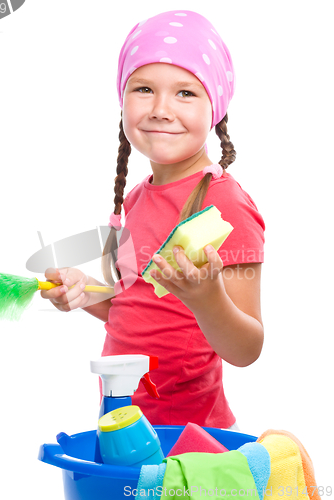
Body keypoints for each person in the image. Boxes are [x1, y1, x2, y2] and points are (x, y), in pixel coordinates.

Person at [41, 10, 265, 431]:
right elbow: (134, 308)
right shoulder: (135, 200)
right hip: (124, 424)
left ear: (215, 108)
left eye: (185, 93)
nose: (161, 109)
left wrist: (208, 299)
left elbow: (246, 349)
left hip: (190, 439)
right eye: (144, 89)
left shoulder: (224, 203)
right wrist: (85, 292)